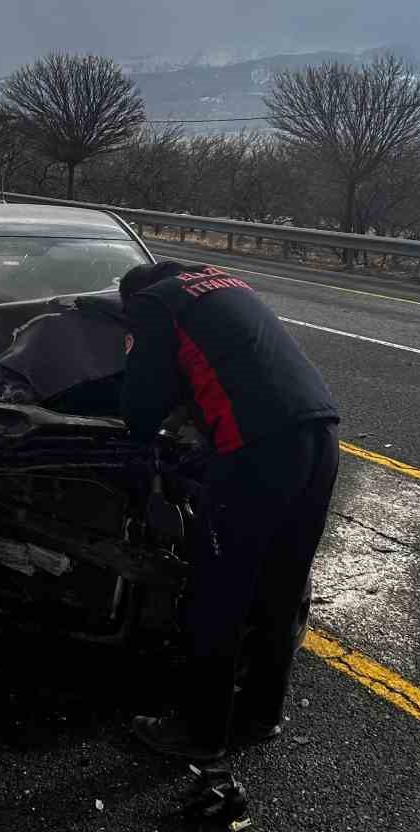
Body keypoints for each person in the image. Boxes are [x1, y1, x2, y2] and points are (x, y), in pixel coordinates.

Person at [118, 261, 340, 761]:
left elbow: (139, 408)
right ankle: (262, 715)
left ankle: (197, 733)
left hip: (256, 453)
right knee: (280, 586)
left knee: (215, 595)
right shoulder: (222, 280)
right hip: (320, 436)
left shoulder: (153, 305)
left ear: (134, 300)